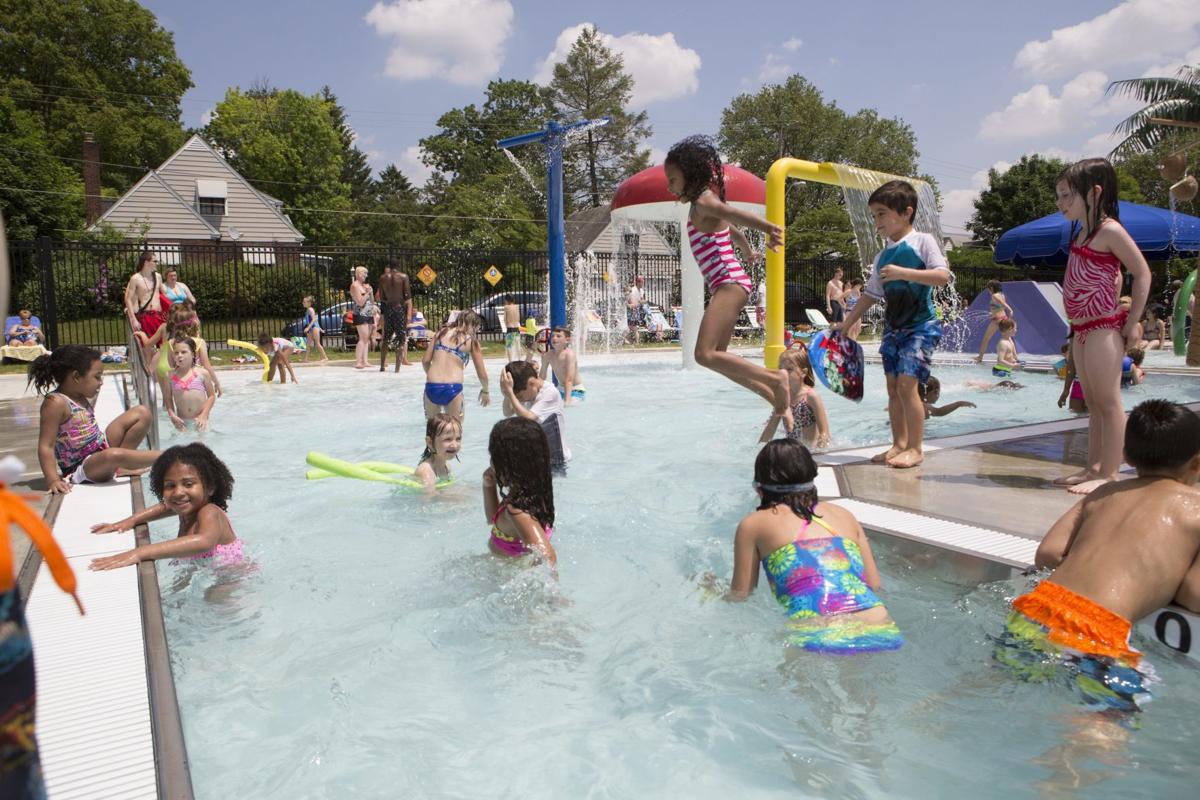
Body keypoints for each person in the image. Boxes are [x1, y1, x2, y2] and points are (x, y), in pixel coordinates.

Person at [995, 400, 1200, 712]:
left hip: (1038, 608)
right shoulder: (1196, 508)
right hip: (1099, 632)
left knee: (993, 682)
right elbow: (1194, 594)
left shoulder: (1104, 493)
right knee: (1106, 725)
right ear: (1197, 464)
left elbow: (1048, 553)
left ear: (1126, 455)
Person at [722, 438, 902, 654]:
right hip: (877, 621)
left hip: (817, 627)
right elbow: (873, 584)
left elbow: (741, 595)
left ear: (760, 489)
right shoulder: (845, 515)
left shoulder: (753, 524)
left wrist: (712, 591)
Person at [664, 135, 792, 433]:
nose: (669, 187)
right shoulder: (701, 205)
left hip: (729, 284)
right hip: (729, 284)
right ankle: (772, 395)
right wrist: (747, 250)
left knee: (703, 354)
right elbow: (731, 228)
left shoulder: (704, 200)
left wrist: (768, 228)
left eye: (673, 179)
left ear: (690, 175)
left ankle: (776, 379)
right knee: (717, 357)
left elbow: (732, 214)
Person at [835, 180, 951, 468]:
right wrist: (846, 322)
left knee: (908, 384)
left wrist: (903, 273)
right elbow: (871, 294)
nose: (877, 221)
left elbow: (941, 276)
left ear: (906, 212)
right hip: (893, 330)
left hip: (921, 326)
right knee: (893, 388)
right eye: (874, 215)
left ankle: (916, 447)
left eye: (882, 214)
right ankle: (898, 444)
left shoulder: (923, 242)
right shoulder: (882, 256)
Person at [1051, 158, 1151, 494]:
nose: (1061, 203)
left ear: (1094, 192)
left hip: (1103, 327)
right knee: (1092, 403)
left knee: (1108, 402)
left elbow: (1142, 271)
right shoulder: (1082, 231)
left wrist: (1132, 320)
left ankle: (1110, 474)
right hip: (1082, 329)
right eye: (1059, 197)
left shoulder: (1109, 230)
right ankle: (1093, 466)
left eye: (1067, 196)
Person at [88, 443, 247, 571]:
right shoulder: (186, 508)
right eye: (170, 485)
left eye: (188, 484)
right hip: (206, 570)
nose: (178, 492)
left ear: (210, 487)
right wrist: (129, 521)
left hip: (230, 576)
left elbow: (204, 542)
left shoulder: (209, 512)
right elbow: (165, 507)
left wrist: (141, 552)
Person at [28, 345, 158, 494]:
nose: (101, 382)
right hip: (81, 467)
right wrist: (53, 480)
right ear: (76, 377)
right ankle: (171, 455)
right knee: (113, 455)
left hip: (100, 447)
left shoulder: (79, 394)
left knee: (142, 413)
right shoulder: (55, 403)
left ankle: (121, 467)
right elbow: (46, 446)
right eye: (97, 377)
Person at [483, 417, 557, 567]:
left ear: (509, 466)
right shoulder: (529, 495)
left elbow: (548, 557)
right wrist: (488, 486)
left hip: (505, 572)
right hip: (505, 565)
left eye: (493, 457)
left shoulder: (517, 511)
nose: (490, 462)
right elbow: (493, 519)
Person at [500, 360, 570, 476]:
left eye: (520, 396)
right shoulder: (528, 393)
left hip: (556, 461)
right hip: (539, 457)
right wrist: (508, 393)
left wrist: (511, 394)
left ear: (532, 383)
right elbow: (507, 412)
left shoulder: (550, 393)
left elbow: (528, 419)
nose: (520, 400)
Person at [422, 310, 489, 424]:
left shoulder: (440, 333)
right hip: (453, 388)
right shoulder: (471, 341)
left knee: (432, 433)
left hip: (431, 387)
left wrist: (433, 375)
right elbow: (482, 374)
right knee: (455, 432)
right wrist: (485, 391)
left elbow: (425, 361)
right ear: (473, 325)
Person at [763, 347, 830, 449]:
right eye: (781, 369)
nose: (783, 373)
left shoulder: (811, 396)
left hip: (809, 452)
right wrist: (760, 450)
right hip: (792, 451)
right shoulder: (782, 397)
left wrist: (819, 453)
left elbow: (824, 432)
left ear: (803, 372)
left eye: (789, 369)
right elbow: (770, 428)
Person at [124, 251, 169, 363]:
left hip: (159, 315)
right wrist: (133, 319)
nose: (156, 263)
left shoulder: (158, 276)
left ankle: (159, 370)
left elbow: (165, 293)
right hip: (145, 316)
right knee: (147, 347)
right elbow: (128, 299)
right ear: (146, 262)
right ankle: (149, 373)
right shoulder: (136, 278)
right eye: (154, 261)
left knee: (164, 346)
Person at [165, 337, 216, 431]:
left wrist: (204, 415)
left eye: (184, 352)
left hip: (200, 421)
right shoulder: (170, 375)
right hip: (181, 422)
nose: (179, 355)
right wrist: (172, 416)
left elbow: (211, 396)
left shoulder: (202, 373)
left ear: (193, 354)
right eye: (176, 353)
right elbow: (168, 398)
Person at [376, 261, 413, 371]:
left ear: (389, 267)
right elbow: (407, 295)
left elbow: (381, 297)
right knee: (401, 338)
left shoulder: (383, 278)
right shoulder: (403, 277)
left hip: (388, 309)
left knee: (386, 337)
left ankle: (382, 366)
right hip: (399, 309)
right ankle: (397, 368)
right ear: (398, 267)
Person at [414, 413, 462, 494]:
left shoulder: (447, 467)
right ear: (430, 442)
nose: (454, 445)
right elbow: (428, 499)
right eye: (448, 439)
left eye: (458, 439)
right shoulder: (426, 471)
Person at [541, 327, 585, 404]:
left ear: (567, 340)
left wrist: (567, 401)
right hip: (560, 389)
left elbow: (569, 380)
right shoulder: (548, 355)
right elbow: (541, 378)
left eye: (558, 336)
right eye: (552, 336)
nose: (554, 338)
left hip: (575, 390)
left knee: (568, 407)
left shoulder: (569, 355)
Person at [974, 281, 1014, 363]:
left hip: (997, 320)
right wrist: (992, 313)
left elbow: (1003, 303)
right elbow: (999, 307)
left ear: (991, 288)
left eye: (988, 288)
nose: (988, 290)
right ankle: (1014, 357)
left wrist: (1010, 309)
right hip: (1003, 317)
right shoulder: (1002, 295)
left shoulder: (994, 295)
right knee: (1008, 338)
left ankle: (980, 357)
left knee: (986, 339)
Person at [349, 265, 377, 369]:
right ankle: (358, 362)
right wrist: (367, 293)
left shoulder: (364, 286)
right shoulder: (355, 286)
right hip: (360, 314)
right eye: (365, 273)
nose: (366, 275)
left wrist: (371, 292)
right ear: (359, 274)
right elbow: (360, 302)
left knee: (366, 339)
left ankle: (365, 361)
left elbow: (372, 302)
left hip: (368, 314)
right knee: (363, 338)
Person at [1057, 336, 1088, 414]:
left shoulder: (1076, 331)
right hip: (1097, 384)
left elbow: (1071, 364)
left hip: (1079, 383)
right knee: (1096, 420)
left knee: (1075, 420)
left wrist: (1066, 390)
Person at [300, 296, 329, 363]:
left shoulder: (310, 309)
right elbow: (315, 320)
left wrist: (308, 328)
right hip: (312, 329)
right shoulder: (308, 310)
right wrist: (320, 328)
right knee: (308, 344)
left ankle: (325, 357)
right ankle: (306, 359)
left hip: (314, 328)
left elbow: (313, 320)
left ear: (309, 303)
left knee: (317, 343)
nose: (303, 303)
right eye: (303, 302)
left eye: (304, 302)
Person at [626, 275, 646, 343]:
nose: (643, 284)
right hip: (632, 310)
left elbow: (641, 300)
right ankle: (634, 341)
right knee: (632, 327)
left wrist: (643, 301)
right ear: (638, 282)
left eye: (643, 282)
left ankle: (626, 339)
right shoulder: (633, 290)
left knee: (632, 327)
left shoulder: (641, 291)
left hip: (636, 309)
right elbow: (629, 300)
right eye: (642, 282)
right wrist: (632, 307)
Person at [501, 296, 521, 362]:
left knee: (509, 346)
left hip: (510, 328)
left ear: (507, 300)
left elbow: (504, 318)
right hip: (516, 328)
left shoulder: (506, 307)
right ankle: (519, 359)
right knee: (518, 345)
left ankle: (510, 362)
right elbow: (518, 318)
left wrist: (506, 324)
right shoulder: (517, 306)